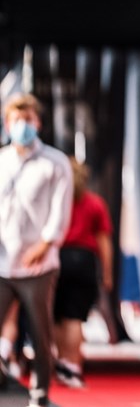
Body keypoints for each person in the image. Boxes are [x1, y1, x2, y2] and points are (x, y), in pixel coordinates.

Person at [0, 93, 73, 407]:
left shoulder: (55, 162)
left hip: (37, 266)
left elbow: (61, 210)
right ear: (7, 123)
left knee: (40, 333)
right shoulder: (2, 160)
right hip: (2, 263)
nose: (22, 126)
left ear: (38, 122)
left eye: (28, 119)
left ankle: (40, 391)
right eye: (16, 120)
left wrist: (45, 244)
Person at [52, 159, 112, 389]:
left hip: (59, 258)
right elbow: (103, 241)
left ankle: (63, 361)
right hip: (84, 261)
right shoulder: (95, 203)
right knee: (75, 317)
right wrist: (107, 273)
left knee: (58, 316)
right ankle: (73, 365)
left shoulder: (57, 201)